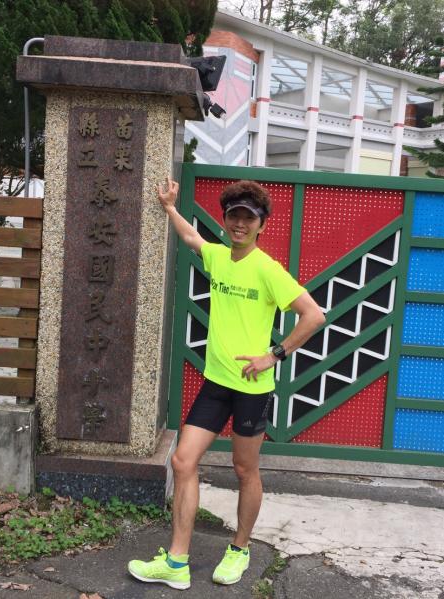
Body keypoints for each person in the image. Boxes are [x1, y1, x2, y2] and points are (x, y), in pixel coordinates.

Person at [128, 177, 325, 590]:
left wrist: (274, 354)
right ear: (225, 220)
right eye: (234, 216)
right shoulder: (217, 257)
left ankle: (239, 548)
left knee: (244, 469)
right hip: (216, 383)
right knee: (183, 461)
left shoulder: (268, 270)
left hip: (252, 389)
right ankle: (176, 562)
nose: (240, 224)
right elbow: (190, 237)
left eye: (248, 218)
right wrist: (170, 207)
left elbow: (313, 315)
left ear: (261, 224)